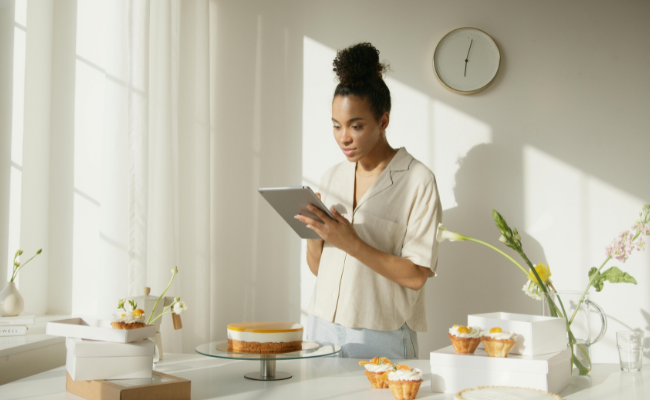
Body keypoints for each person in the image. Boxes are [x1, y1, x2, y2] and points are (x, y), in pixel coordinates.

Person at [294, 42, 442, 359]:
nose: (343, 137)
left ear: (383, 122)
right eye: (336, 126)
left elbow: (417, 275)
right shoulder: (333, 176)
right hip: (322, 327)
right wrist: (314, 238)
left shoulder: (418, 181)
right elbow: (320, 269)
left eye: (355, 126)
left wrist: (350, 241)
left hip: (382, 333)